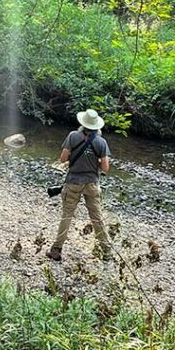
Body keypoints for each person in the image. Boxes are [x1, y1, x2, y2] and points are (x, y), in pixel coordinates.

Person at [46, 109, 113, 261]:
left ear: (82, 123)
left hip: (73, 183)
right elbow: (105, 168)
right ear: (96, 126)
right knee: (97, 218)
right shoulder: (101, 142)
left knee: (67, 216)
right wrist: (93, 160)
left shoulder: (73, 136)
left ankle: (56, 250)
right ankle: (107, 252)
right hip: (92, 184)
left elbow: (63, 159)